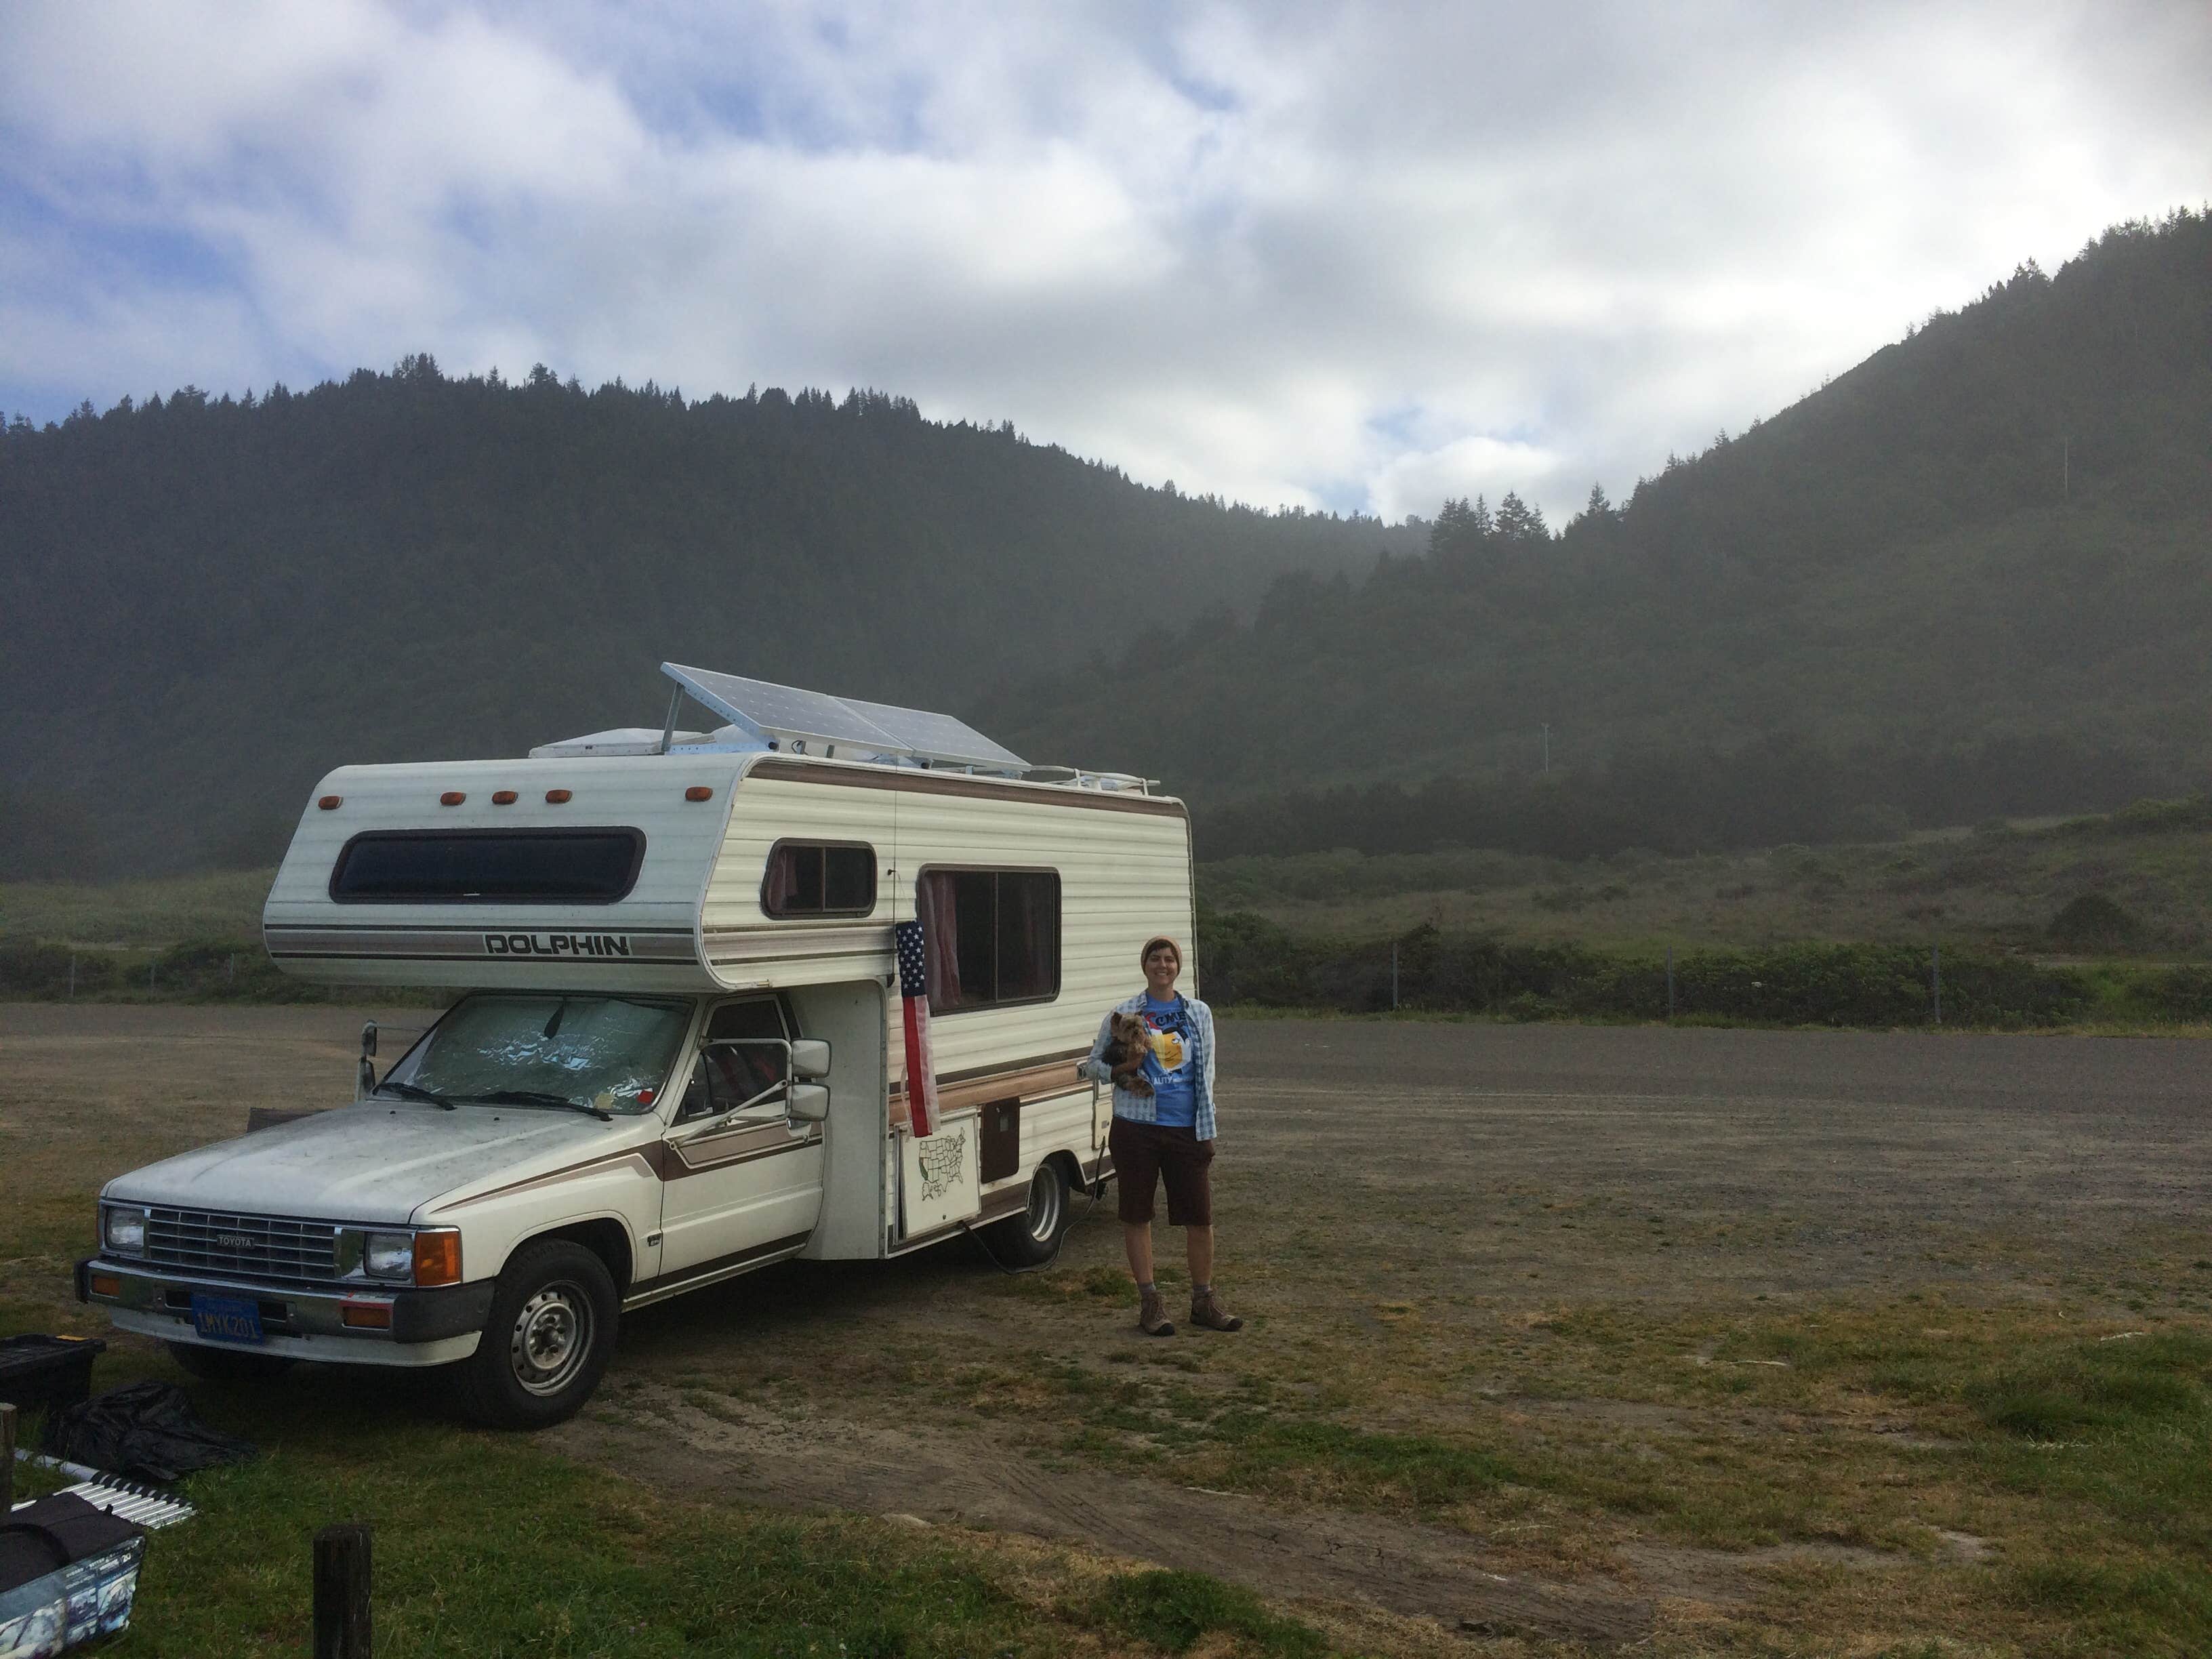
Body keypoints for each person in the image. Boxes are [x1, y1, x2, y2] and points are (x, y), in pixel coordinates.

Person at [1080, 936, 1242, 1336]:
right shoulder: (1124, 1014)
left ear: (1178, 966)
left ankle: (1203, 1302)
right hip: (1137, 1128)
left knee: (1200, 1218)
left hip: (1187, 1127)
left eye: (1170, 959)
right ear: (1145, 965)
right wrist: (1124, 1069)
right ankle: (1150, 1304)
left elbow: (1207, 1073)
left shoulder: (1198, 1013)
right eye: (1156, 958)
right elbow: (1090, 1065)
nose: (1163, 965)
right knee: (1137, 1215)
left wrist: (1207, 1125)